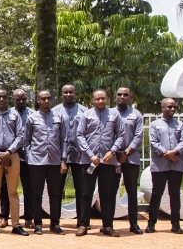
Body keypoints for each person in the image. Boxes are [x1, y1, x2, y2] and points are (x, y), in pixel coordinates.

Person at [76, 89, 123, 237]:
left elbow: (121, 135)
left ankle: (108, 225)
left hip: (108, 161)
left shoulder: (114, 115)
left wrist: (112, 151)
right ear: (93, 100)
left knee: (106, 194)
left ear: (107, 99)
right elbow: (80, 135)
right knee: (86, 193)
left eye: (103, 98)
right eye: (98, 99)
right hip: (89, 161)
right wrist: (90, 154)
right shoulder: (87, 115)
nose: (101, 101)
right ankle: (83, 224)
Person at [24, 89, 68, 235]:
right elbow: (26, 141)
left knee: (55, 193)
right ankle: (38, 223)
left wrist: (63, 160)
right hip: (37, 162)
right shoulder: (32, 118)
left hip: (55, 162)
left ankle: (55, 223)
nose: (46, 101)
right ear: (38, 100)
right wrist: (30, 157)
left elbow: (63, 139)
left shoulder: (59, 117)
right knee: (37, 193)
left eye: (48, 98)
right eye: (43, 99)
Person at [0, 88, 26, 235]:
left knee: (13, 192)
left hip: (12, 155)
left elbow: (20, 135)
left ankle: (16, 225)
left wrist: (8, 152)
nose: (1, 99)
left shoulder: (15, 115)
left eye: (4, 96)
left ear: (8, 98)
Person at [147, 98, 183, 233]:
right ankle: (151, 223)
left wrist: (174, 152)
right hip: (160, 165)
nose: (172, 109)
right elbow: (153, 142)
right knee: (156, 194)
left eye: (174, 107)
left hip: (176, 164)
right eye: (169, 107)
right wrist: (167, 154)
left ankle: (175, 223)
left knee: (175, 194)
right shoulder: (155, 125)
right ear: (163, 108)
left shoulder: (180, 125)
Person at [115, 88, 145, 234]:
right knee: (109, 191)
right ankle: (108, 223)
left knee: (131, 191)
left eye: (125, 95)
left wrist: (126, 152)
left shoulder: (136, 114)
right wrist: (116, 153)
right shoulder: (110, 113)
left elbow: (138, 136)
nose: (122, 97)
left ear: (130, 97)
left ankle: (133, 223)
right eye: (119, 94)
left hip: (131, 158)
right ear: (115, 96)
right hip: (113, 159)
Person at [58, 85, 88, 232]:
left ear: (75, 93)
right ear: (62, 94)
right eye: (66, 92)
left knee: (81, 189)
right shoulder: (55, 111)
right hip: (60, 156)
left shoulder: (84, 111)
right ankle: (55, 220)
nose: (68, 94)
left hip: (80, 156)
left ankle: (82, 222)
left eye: (71, 92)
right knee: (57, 189)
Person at [3, 88, 34, 226]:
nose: (21, 102)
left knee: (29, 187)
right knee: (6, 187)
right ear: (13, 99)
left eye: (23, 99)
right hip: (11, 155)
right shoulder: (8, 113)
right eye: (18, 99)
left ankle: (28, 218)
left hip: (27, 156)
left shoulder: (33, 114)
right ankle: (4, 216)